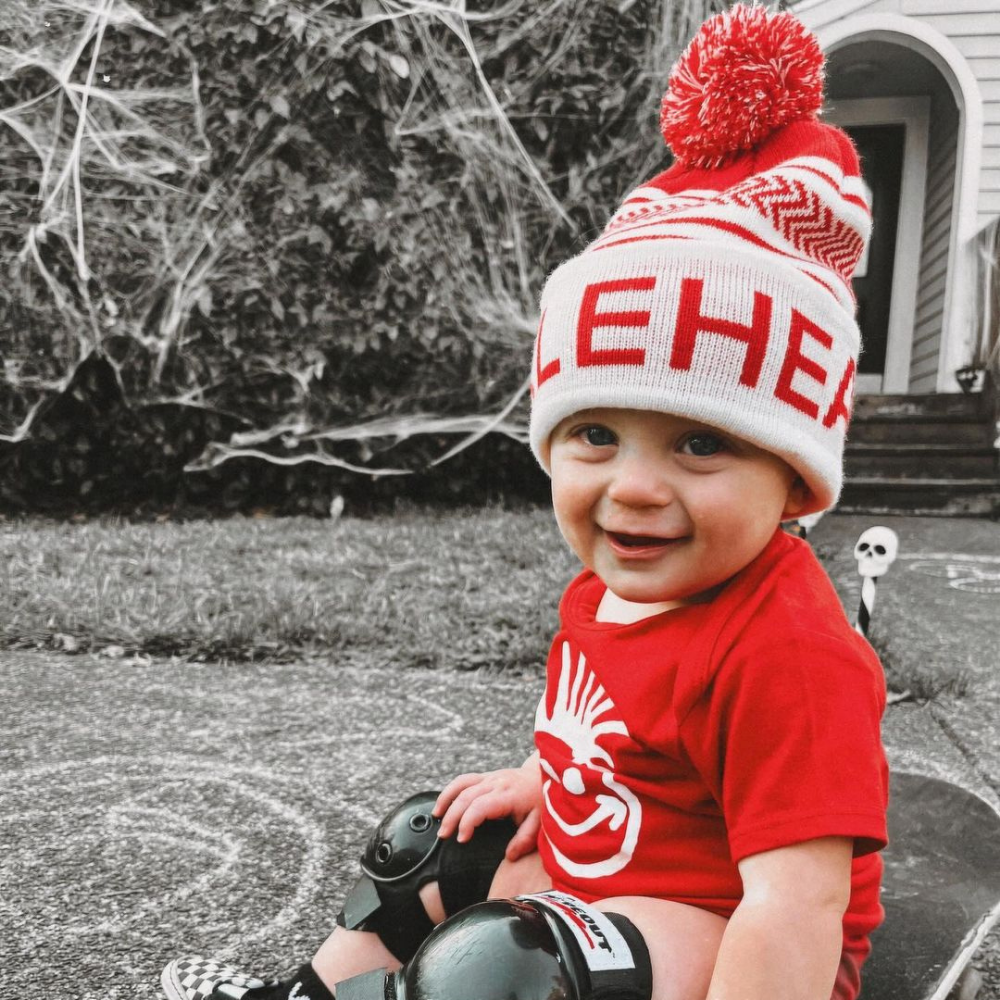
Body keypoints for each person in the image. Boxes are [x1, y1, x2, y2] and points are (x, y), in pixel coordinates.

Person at [160, 6, 888, 1000]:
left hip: (742, 936)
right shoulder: (608, 589)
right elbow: (631, 749)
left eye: (701, 441)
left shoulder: (786, 650)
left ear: (794, 477)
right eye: (596, 434)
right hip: (614, 880)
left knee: (501, 966)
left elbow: (795, 905)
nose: (634, 485)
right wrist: (544, 780)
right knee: (427, 839)